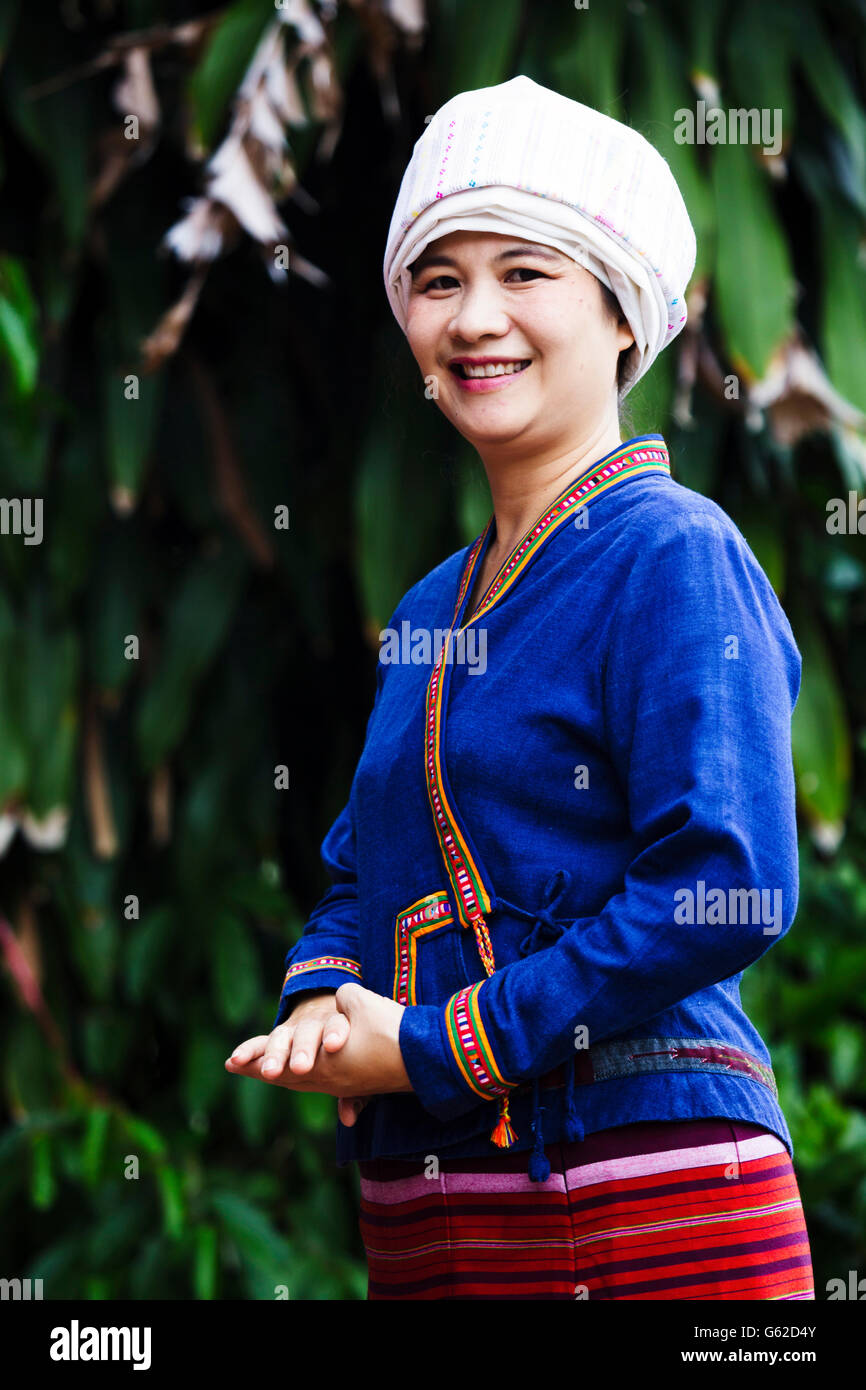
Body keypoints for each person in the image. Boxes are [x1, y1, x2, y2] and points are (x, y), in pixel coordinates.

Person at [226, 75, 815, 1301]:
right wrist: (327, 1002)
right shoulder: (431, 606)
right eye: (437, 281)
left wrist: (443, 1042)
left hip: (644, 1188)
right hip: (437, 1213)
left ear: (620, 313)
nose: (472, 317)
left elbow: (727, 877)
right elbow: (361, 868)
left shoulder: (675, 553)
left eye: (523, 273)